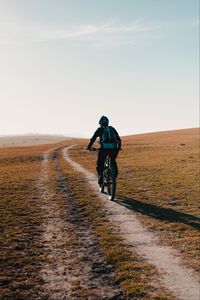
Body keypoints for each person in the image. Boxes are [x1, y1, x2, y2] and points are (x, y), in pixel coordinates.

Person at [87, 116, 121, 186]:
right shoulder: (112, 128)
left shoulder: (99, 129)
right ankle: (113, 177)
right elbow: (118, 139)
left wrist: (89, 147)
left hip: (104, 149)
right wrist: (118, 147)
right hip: (114, 149)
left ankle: (101, 176)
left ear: (100, 123)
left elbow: (93, 139)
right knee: (113, 161)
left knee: (100, 162)